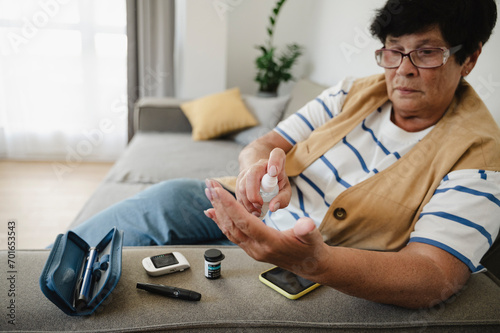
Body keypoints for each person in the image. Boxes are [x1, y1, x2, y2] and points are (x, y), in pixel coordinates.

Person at [72, 0, 499, 309]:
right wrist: (254, 167)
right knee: (163, 200)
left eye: (425, 52)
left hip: (311, 260)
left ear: (469, 59)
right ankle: (57, 270)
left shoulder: (480, 153)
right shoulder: (354, 90)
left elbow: (435, 275)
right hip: (249, 210)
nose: (402, 68)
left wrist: (319, 261)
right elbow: (268, 141)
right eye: (392, 49)